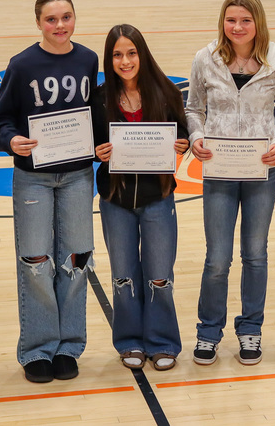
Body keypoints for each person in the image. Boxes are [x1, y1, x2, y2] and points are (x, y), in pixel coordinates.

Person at [0, 0, 98, 383]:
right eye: (51, 19)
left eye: (66, 17)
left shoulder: (88, 59)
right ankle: (37, 348)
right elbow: (0, 122)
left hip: (78, 176)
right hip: (33, 175)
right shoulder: (22, 65)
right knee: (35, 263)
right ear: (39, 22)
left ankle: (68, 345)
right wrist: (11, 141)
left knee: (76, 260)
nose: (60, 26)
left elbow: (91, 115)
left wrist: (102, 144)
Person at [186, 0, 275, 366]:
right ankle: (208, 332)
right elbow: (192, 109)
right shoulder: (205, 59)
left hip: (261, 171)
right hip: (218, 171)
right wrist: (197, 136)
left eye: (245, 21)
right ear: (223, 22)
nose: (237, 27)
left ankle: (250, 330)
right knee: (217, 258)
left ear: (257, 24)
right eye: (231, 20)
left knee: (255, 254)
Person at [91, 25, 189, 371]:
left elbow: (184, 133)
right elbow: (91, 144)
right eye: (117, 54)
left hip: (158, 199)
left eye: (131, 52)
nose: (125, 60)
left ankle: (163, 342)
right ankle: (129, 341)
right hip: (115, 201)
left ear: (142, 54)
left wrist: (183, 144)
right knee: (124, 276)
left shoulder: (166, 93)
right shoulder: (100, 98)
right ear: (109, 59)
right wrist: (97, 152)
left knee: (159, 275)